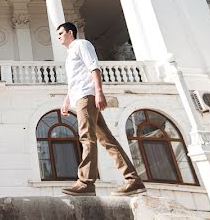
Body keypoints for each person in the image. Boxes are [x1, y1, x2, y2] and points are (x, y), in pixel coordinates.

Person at [57, 22, 146, 197]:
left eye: (60, 33)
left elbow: (94, 67)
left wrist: (99, 92)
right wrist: (67, 100)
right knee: (107, 140)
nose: (58, 36)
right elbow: (75, 81)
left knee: (86, 138)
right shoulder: (70, 55)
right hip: (80, 97)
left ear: (69, 33)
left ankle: (86, 183)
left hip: (87, 97)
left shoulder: (82, 44)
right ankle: (133, 180)